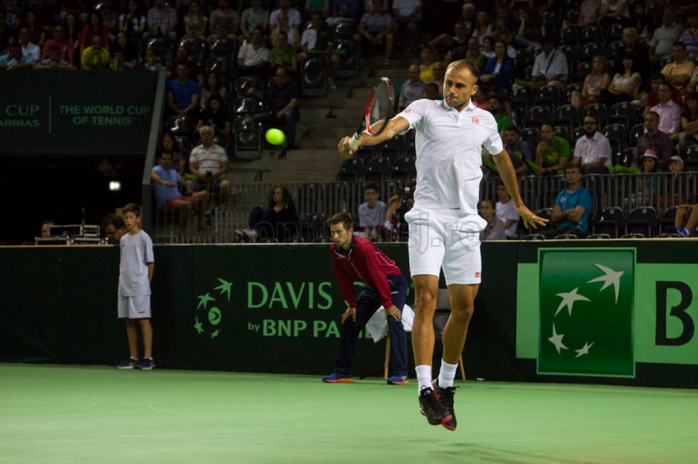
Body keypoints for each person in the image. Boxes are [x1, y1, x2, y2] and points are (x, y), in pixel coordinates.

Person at [338, 60, 545, 430]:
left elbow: (502, 160)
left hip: (465, 222)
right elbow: (388, 131)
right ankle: (422, 389)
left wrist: (519, 203)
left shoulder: (485, 121)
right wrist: (359, 140)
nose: (451, 91)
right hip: (428, 217)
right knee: (426, 297)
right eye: (448, 83)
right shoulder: (423, 109)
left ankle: (445, 385)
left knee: (464, 307)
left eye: (459, 86)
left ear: (473, 90)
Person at [322, 212, 410, 385]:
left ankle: (400, 373)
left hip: (392, 283)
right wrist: (352, 304)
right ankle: (343, 371)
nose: (335, 236)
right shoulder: (334, 250)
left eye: (339, 232)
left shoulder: (364, 247)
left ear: (350, 231)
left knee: (394, 320)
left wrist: (388, 305)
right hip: (371, 287)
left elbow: (379, 276)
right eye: (332, 232)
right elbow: (342, 277)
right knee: (350, 321)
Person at [115, 203, 156, 371]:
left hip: (140, 286)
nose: (128, 221)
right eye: (126, 218)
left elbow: (150, 263)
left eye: (131, 217)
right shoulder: (123, 239)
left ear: (138, 219)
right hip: (124, 286)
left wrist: (146, 283)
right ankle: (133, 358)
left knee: (143, 320)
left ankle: (148, 358)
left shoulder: (144, 238)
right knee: (129, 321)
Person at [151, 151, 211, 231]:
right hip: (167, 202)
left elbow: (184, 182)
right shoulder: (157, 169)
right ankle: (182, 233)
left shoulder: (173, 172)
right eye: (164, 159)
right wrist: (164, 182)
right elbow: (153, 175)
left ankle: (201, 222)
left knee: (205, 194)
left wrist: (190, 190)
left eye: (168, 159)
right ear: (159, 160)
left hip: (179, 198)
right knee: (186, 205)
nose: (166, 161)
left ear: (172, 161)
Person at [249, 66, 300, 150]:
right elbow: (263, 96)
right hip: (273, 113)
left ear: (286, 77)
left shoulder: (292, 87)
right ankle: (267, 141)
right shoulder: (273, 87)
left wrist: (283, 111)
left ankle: (290, 143)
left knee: (289, 114)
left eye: (282, 76)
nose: (280, 78)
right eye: (278, 76)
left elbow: (294, 102)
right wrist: (254, 92)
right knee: (256, 118)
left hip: (287, 112)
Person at [542, 163, 592, 239]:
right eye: (567, 173)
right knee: (541, 237)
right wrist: (567, 213)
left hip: (577, 229)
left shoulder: (584, 194)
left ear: (580, 175)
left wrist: (561, 215)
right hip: (560, 229)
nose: (569, 175)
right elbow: (554, 218)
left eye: (573, 173)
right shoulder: (561, 194)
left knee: (565, 237)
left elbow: (576, 218)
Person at [188, 125, 231, 207]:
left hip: (216, 179)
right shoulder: (195, 150)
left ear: (213, 136)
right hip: (199, 179)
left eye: (208, 134)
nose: (206, 136)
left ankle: (218, 206)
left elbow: (224, 167)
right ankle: (195, 206)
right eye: (203, 134)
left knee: (226, 185)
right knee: (187, 184)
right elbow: (192, 167)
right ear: (200, 136)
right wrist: (199, 175)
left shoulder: (220, 150)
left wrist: (215, 175)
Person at [358, 0, 394, 68]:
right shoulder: (367, 15)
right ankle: (360, 60)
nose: (376, 5)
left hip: (381, 34)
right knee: (356, 37)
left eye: (378, 3)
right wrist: (366, 34)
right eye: (374, 3)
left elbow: (390, 27)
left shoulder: (387, 15)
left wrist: (382, 34)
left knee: (390, 36)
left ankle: (387, 61)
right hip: (369, 34)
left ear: (382, 4)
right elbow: (360, 27)